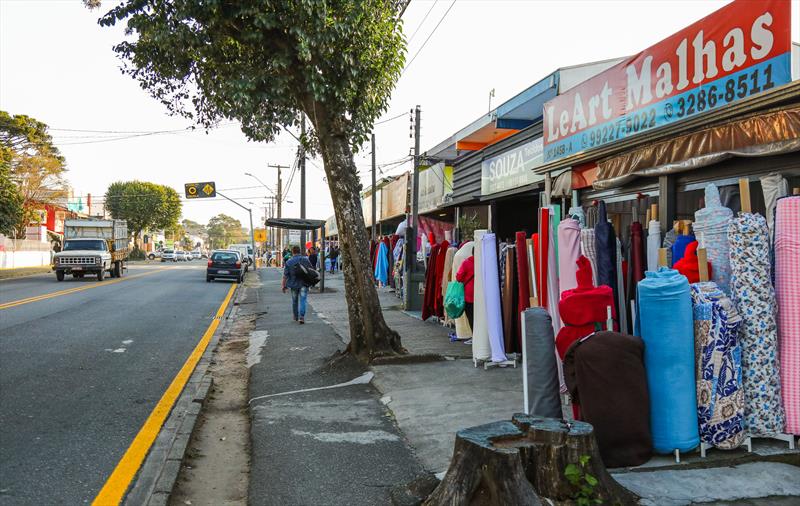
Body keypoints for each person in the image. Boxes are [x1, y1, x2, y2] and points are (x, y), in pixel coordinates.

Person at [282, 246, 313, 324]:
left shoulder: (289, 262)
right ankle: (301, 317)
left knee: (294, 301)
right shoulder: (306, 259)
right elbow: (311, 270)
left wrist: (283, 286)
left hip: (293, 284)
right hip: (304, 283)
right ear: (300, 251)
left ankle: (295, 316)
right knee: (303, 300)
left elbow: (285, 275)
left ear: (292, 252)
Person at [455, 254, 475, 328]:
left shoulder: (466, 262)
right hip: (482, 295)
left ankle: (474, 335)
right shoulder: (484, 262)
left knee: (471, 316)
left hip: (469, 295)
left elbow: (459, 277)